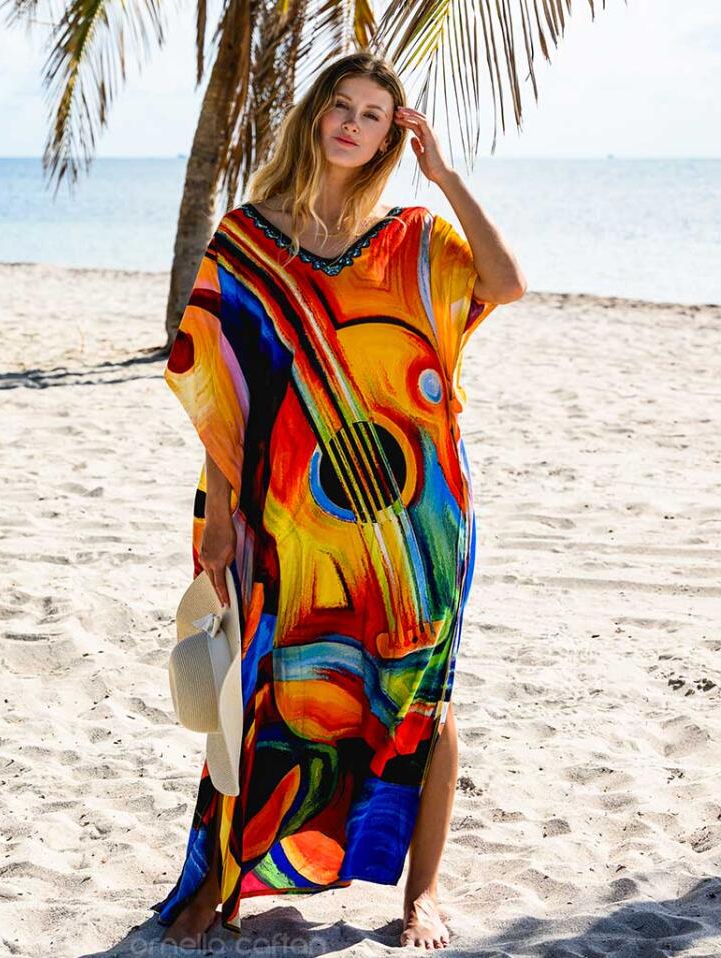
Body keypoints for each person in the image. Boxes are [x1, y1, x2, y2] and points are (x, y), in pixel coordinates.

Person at [154, 50, 526, 951]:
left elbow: (506, 284)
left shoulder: (413, 238)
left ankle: (420, 895)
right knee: (271, 689)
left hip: (420, 520)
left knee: (418, 700)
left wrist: (447, 178)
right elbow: (224, 403)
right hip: (287, 520)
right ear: (317, 114)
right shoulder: (245, 242)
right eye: (343, 105)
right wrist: (216, 519)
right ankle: (225, 883)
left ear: (392, 135)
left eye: (375, 114)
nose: (354, 124)